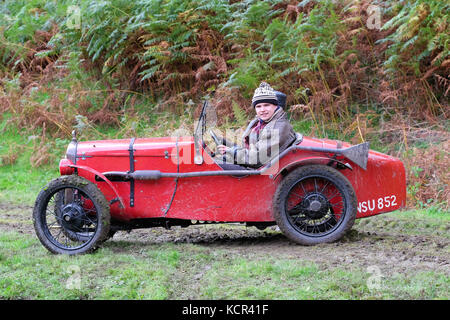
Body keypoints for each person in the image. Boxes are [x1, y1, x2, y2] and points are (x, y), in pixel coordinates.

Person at [217, 82, 297, 169]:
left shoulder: (277, 127)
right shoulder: (260, 122)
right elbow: (251, 148)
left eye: (267, 105)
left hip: (260, 170)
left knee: (215, 168)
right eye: (258, 106)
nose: (262, 110)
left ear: (275, 106)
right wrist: (229, 145)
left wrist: (232, 151)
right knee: (216, 161)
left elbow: (257, 158)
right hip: (252, 163)